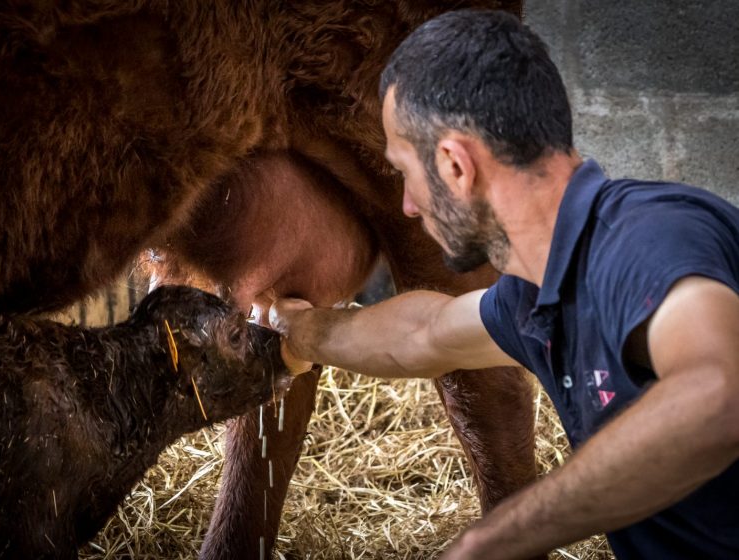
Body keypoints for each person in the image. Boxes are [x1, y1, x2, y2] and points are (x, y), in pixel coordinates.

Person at [261, 9, 739, 560]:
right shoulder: (538, 294)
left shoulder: (647, 237)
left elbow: (719, 394)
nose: (408, 205)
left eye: (404, 173)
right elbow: (423, 334)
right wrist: (296, 328)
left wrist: (488, 542)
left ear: (455, 166)